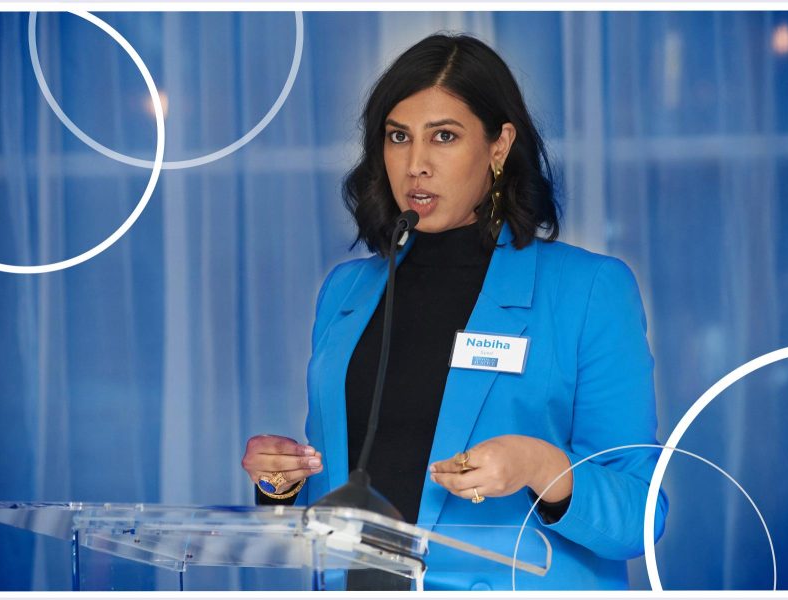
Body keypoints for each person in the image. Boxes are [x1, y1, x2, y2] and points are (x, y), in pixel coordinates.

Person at [241, 33, 669, 591]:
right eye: (398, 137)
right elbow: (350, 490)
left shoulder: (588, 290)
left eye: (444, 136)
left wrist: (540, 467)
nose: (415, 164)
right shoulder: (347, 292)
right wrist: (282, 483)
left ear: (499, 146)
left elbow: (641, 514)